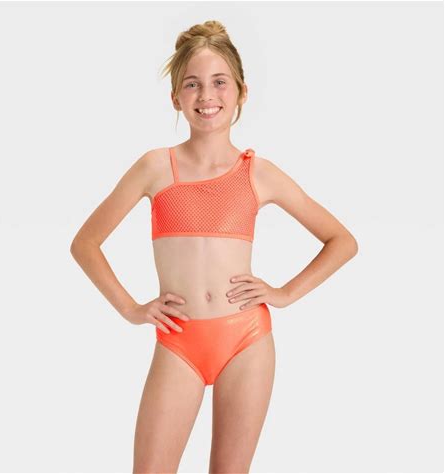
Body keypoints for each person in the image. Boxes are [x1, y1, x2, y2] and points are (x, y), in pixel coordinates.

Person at [70, 20, 358, 474]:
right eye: (193, 84)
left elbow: (341, 241)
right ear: (175, 97)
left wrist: (284, 293)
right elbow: (85, 243)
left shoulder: (258, 173)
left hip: (247, 341)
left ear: (242, 91)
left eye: (220, 82)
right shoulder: (154, 167)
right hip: (178, 341)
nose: (207, 95)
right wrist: (130, 308)